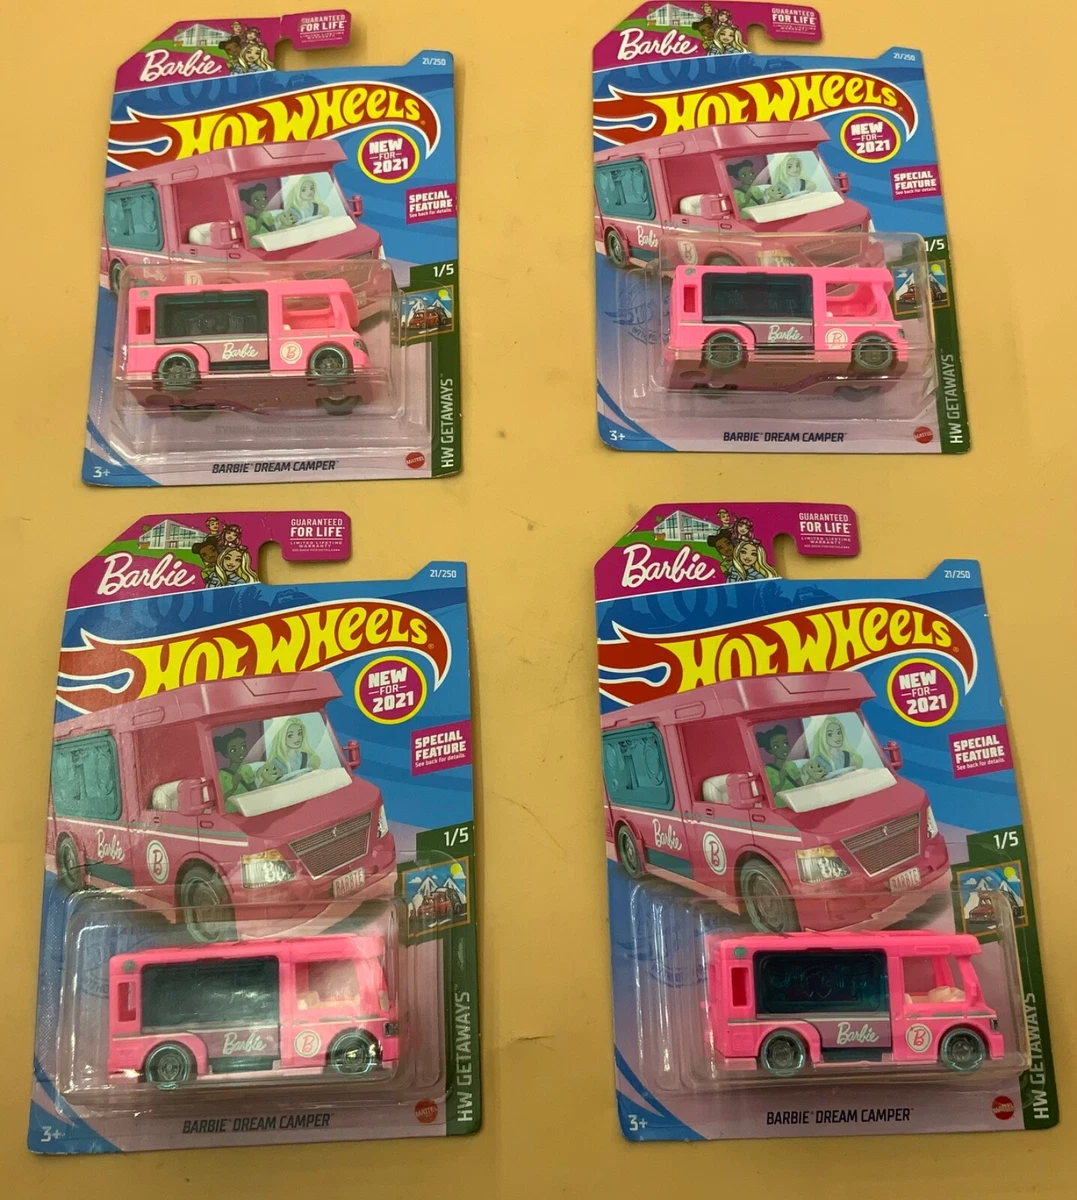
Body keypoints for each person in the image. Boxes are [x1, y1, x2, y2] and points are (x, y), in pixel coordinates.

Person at [755, 726, 803, 804]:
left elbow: (801, 786)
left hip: (798, 803)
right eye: (776, 746)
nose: (783, 748)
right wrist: (781, 783)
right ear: (770, 751)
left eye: (785, 743)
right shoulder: (767, 770)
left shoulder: (792, 765)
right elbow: (767, 797)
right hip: (780, 806)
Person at [215, 729, 256, 809]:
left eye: (243, 747)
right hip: (231, 811)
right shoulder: (221, 775)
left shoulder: (247, 769)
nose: (240, 752)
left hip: (249, 808)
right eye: (233, 750)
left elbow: (254, 791)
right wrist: (233, 788)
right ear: (226, 754)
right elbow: (219, 801)